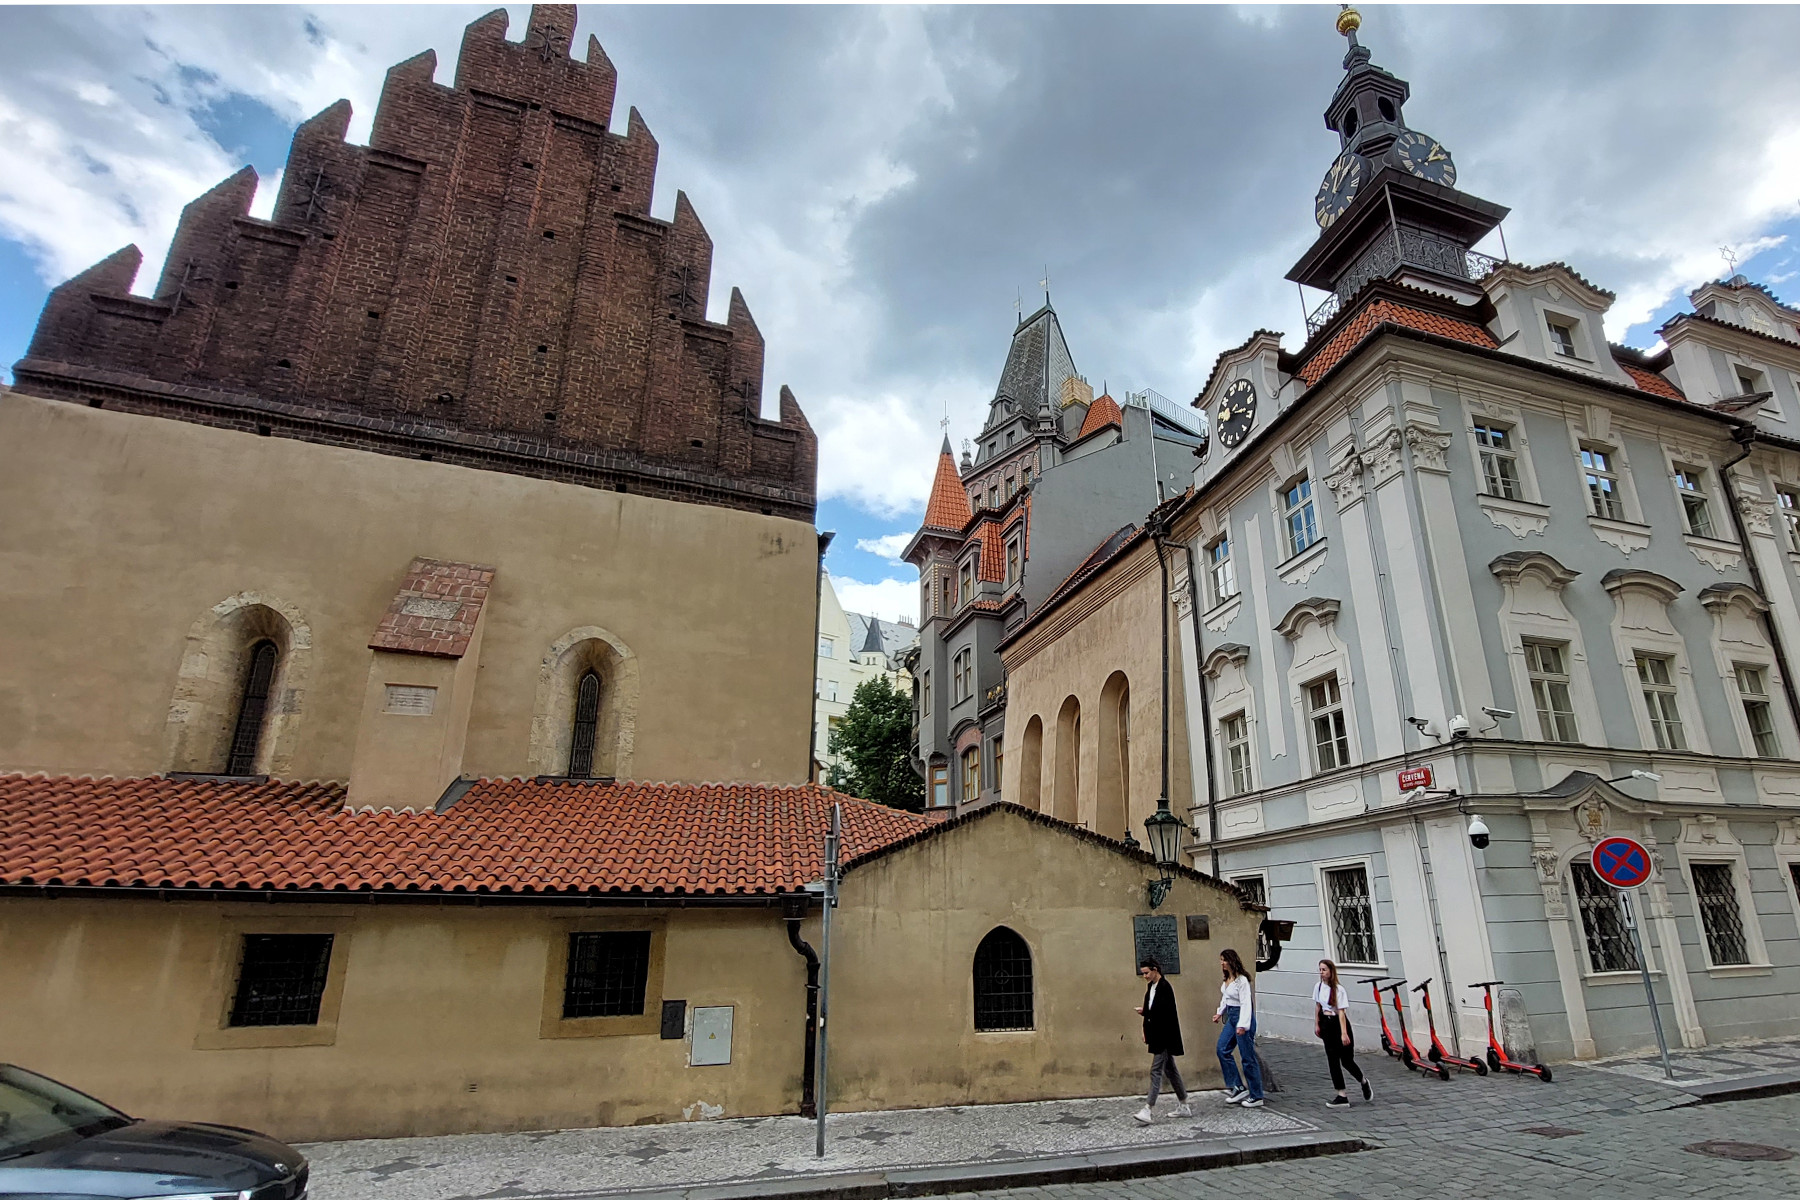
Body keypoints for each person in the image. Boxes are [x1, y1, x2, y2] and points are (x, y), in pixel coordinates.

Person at [1132, 957, 1191, 1124]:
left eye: (1146, 973)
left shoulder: (1165, 988)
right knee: (1170, 1070)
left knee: (1155, 1070)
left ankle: (1148, 1109)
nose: (1144, 976)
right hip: (1158, 1035)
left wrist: (1148, 1019)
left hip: (1164, 1037)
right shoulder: (1151, 987)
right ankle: (1184, 1104)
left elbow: (1165, 1015)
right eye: (1143, 973)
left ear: (1155, 970)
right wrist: (1145, 1017)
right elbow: (1154, 1010)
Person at [1314, 958, 1372, 1107]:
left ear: (1331, 971)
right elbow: (1318, 1006)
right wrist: (1317, 1024)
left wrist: (1344, 1033)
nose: (1321, 973)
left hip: (1338, 1024)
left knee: (1346, 1060)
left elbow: (1341, 1013)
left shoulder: (1339, 990)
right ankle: (1341, 1095)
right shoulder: (1318, 987)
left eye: (1324, 970)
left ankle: (1363, 1081)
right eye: (1320, 969)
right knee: (1332, 1060)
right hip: (1326, 1023)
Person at [1213, 948, 1264, 1107]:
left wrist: (1243, 1025)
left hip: (1243, 1017)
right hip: (1232, 1018)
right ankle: (1238, 1086)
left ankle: (1256, 1096)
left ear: (1232, 961)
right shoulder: (1227, 979)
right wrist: (1219, 1013)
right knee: (1222, 1049)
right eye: (1221, 960)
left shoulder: (1242, 980)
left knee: (1247, 1058)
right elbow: (1226, 998)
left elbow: (1246, 1003)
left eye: (1224, 960)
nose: (1222, 963)